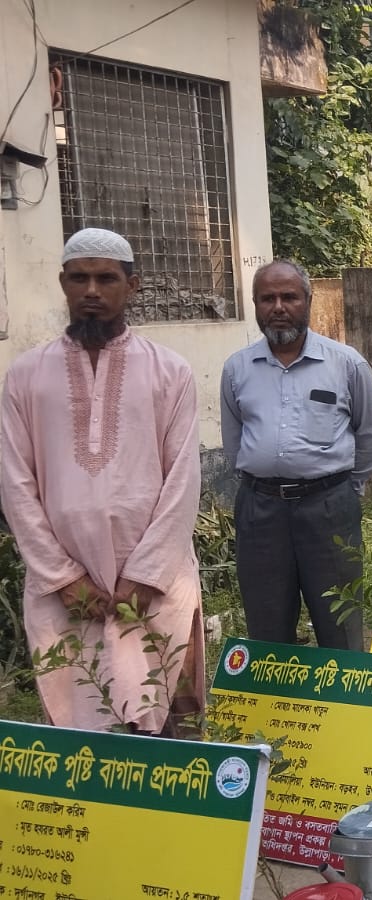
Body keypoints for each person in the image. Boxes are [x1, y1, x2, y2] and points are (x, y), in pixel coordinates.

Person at [1, 228, 204, 733]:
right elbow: (15, 482)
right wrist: (63, 577)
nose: (91, 290)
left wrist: (147, 574)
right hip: (64, 590)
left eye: (106, 278)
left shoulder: (170, 371)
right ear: (63, 284)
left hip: (156, 583)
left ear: (131, 286)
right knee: (80, 726)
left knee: (169, 725)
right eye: (79, 278)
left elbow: (182, 478)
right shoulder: (24, 375)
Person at [222, 259, 372, 650]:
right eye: (268, 299)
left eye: (289, 297)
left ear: (308, 301)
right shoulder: (237, 368)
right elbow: (234, 442)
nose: (278, 307)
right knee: (266, 623)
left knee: (340, 619)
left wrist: (344, 488)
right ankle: (275, 688)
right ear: (255, 305)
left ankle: (344, 689)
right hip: (260, 512)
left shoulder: (346, 364)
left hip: (328, 508)